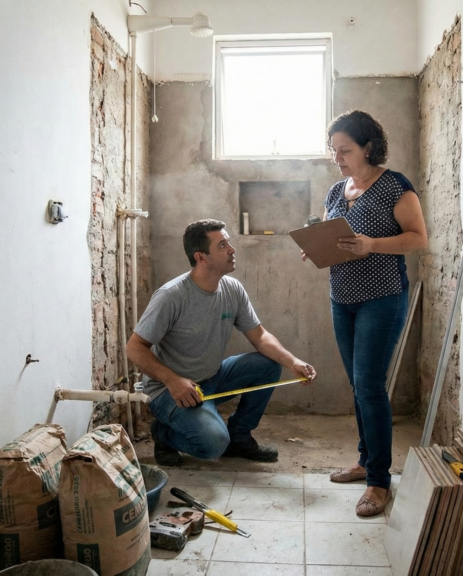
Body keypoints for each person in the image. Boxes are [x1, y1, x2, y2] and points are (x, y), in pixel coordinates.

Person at [307, 110, 428, 517]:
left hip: (383, 297)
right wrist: (316, 247)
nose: (338, 157)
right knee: (358, 387)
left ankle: (379, 481)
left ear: (369, 148)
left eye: (345, 150)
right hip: (342, 297)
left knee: (370, 386)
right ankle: (365, 460)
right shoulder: (336, 191)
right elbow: (331, 236)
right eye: (333, 151)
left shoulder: (395, 187)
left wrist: (371, 244)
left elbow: (417, 238)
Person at [128, 218, 317, 467]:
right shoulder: (171, 296)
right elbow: (135, 348)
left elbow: (259, 336)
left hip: (212, 377)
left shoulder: (232, 289)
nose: (232, 249)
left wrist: (293, 362)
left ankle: (238, 438)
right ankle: (164, 435)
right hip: (170, 391)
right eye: (222, 245)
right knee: (212, 445)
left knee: (269, 365)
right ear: (201, 257)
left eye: (229, 243)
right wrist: (173, 381)